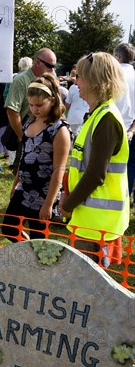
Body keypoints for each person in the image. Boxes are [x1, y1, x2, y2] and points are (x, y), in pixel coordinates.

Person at [60, 52, 129, 264]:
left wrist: (67, 205)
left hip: (97, 224)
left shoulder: (106, 118)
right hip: (90, 219)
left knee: (87, 289)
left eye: (79, 76)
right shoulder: (98, 114)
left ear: (94, 80)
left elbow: (96, 174)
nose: (75, 81)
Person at [1, 73, 71, 241]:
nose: (34, 109)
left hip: (43, 192)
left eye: (39, 105)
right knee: (9, 228)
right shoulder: (30, 122)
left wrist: (48, 204)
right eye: (31, 105)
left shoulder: (59, 129)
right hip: (24, 188)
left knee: (39, 239)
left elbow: (59, 170)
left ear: (52, 100)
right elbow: (24, 155)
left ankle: (37, 260)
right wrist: (15, 183)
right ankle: (30, 251)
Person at [5, 48, 57, 174]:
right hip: (27, 131)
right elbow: (12, 110)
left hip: (44, 132)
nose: (52, 70)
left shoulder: (48, 80)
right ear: (38, 62)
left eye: (54, 66)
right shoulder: (21, 80)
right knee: (23, 172)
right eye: (49, 66)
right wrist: (22, 137)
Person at [113, 43, 135, 199]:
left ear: (118, 57)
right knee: (131, 166)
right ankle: (126, 198)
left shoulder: (115, 75)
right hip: (131, 128)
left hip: (115, 128)